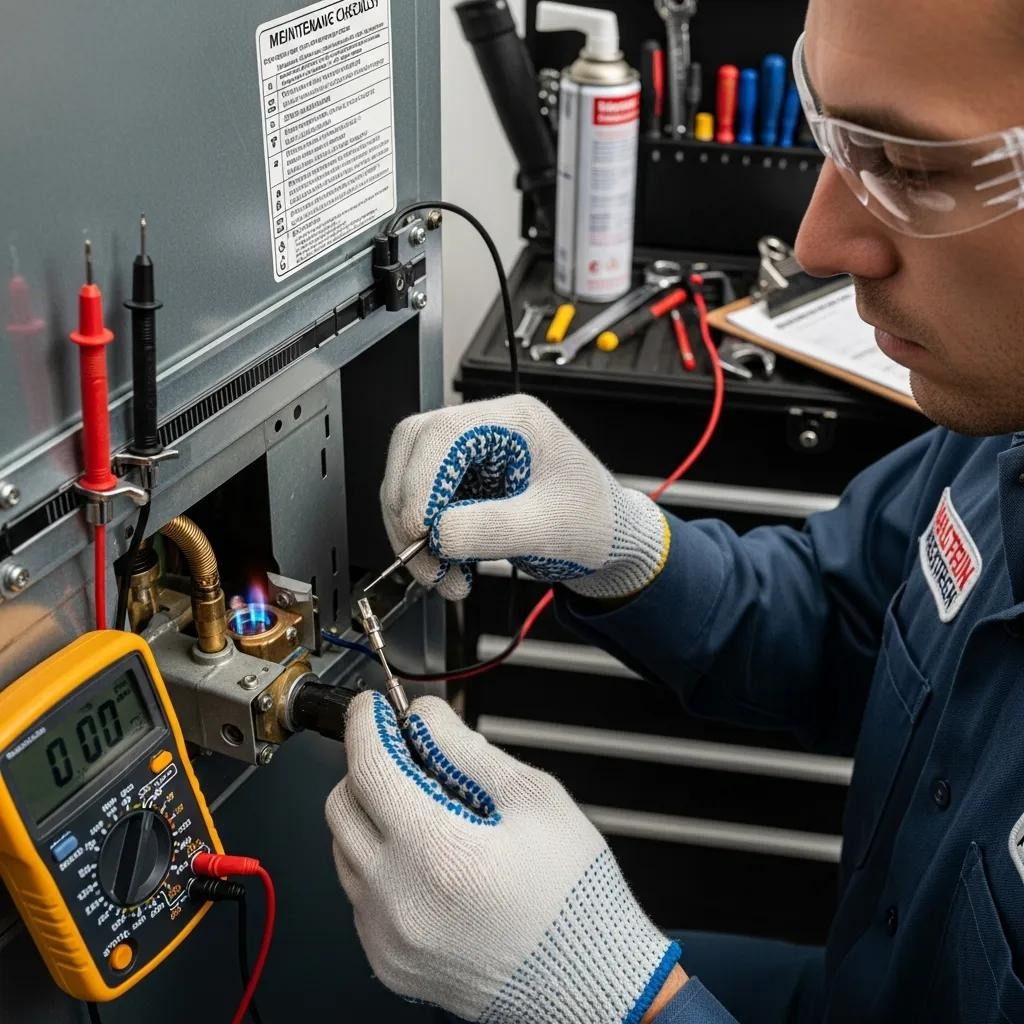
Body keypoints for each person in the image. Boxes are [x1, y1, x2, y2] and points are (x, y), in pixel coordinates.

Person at [324, 0, 1024, 1019]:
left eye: (910, 169)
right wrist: (621, 545)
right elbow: (846, 618)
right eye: (833, 137)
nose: (818, 240)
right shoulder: (997, 430)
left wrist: (628, 1004)